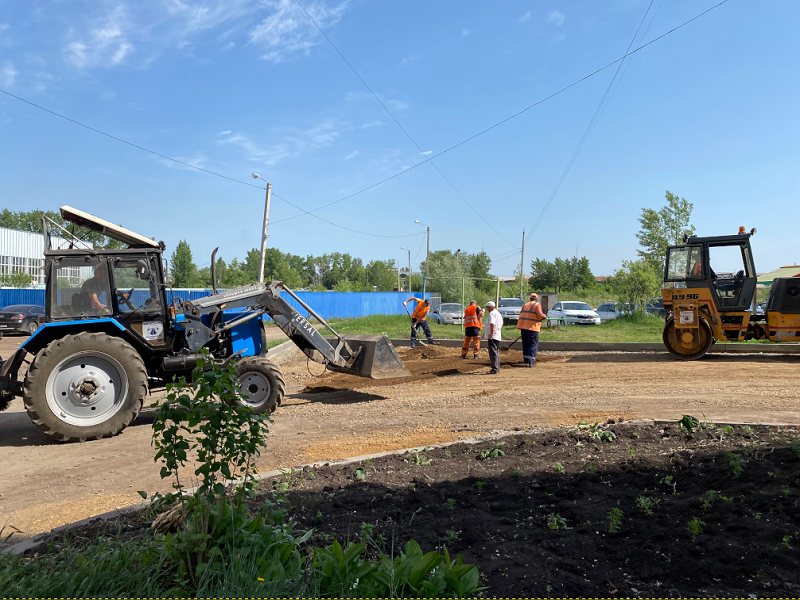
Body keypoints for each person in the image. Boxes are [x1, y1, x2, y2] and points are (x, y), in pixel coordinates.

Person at [516, 292, 546, 367]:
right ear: (536, 299)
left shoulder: (524, 305)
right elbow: (539, 314)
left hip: (523, 327)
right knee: (532, 344)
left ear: (530, 298)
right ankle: (531, 362)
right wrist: (544, 316)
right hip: (533, 328)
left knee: (525, 344)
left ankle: (526, 360)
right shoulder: (537, 305)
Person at [483, 300, 503, 374]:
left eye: (487, 307)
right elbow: (500, 324)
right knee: (495, 352)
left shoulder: (492, 314)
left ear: (491, 307)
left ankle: (495, 368)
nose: (487, 309)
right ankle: (496, 367)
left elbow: (492, 323)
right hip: (497, 335)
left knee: (493, 352)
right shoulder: (498, 314)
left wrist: (491, 334)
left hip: (493, 336)